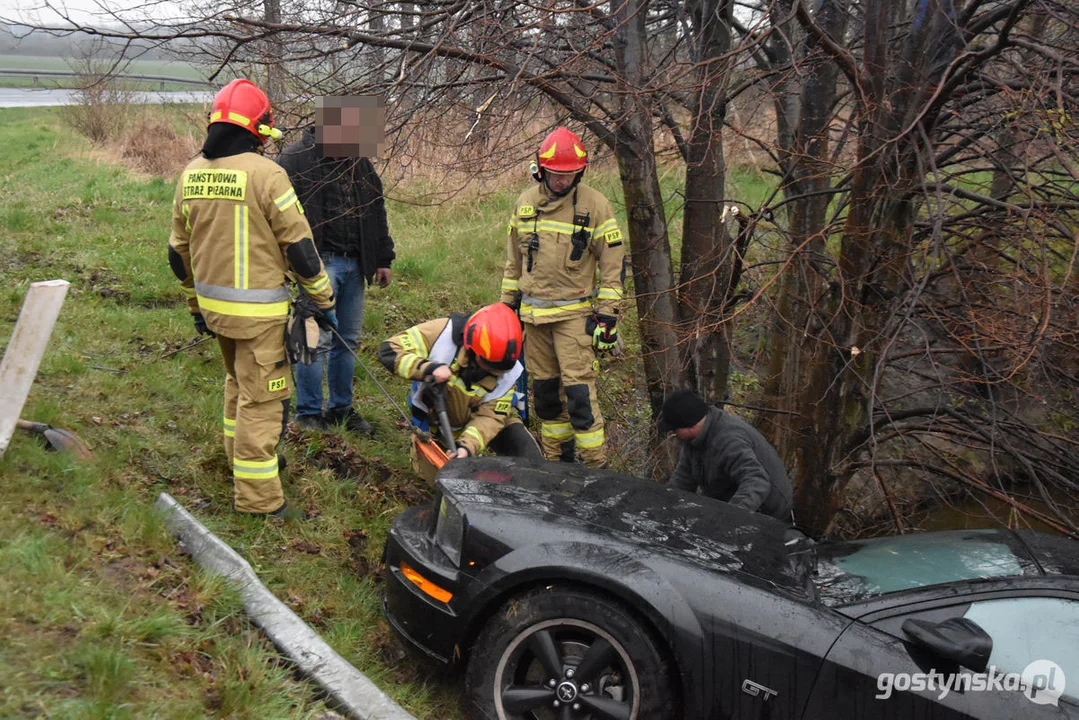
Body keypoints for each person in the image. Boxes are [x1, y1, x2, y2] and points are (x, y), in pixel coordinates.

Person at [168, 79, 336, 518]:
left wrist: (194, 307)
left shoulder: (191, 173)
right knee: (263, 402)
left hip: (214, 312)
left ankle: (239, 462)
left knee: (237, 386)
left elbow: (177, 251)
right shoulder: (267, 174)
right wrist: (323, 300)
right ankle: (260, 500)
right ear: (258, 129)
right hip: (260, 318)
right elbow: (299, 248)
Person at [498, 127, 625, 468]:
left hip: (574, 317)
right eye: (555, 174)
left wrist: (608, 313)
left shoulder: (595, 206)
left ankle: (596, 469)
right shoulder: (525, 204)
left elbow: (613, 264)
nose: (560, 181)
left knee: (580, 396)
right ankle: (557, 466)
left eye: (568, 176)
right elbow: (514, 261)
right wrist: (507, 306)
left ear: (579, 173)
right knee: (546, 397)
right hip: (533, 320)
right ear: (541, 169)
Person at [277, 96, 395, 435]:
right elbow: (277, 217)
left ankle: (341, 409)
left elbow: (377, 211)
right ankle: (309, 414)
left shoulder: (360, 163)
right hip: (317, 265)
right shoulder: (295, 161)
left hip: (356, 265)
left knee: (348, 341)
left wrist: (383, 258)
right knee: (315, 340)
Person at [378, 303, 544, 481]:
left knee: (529, 455)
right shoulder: (441, 334)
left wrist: (466, 447)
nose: (494, 374)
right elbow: (389, 350)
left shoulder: (509, 373)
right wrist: (428, 369)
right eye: (489, 366)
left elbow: (490, 417)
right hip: (435, 426)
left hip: (479, 420)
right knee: (443, 484)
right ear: (473, 349)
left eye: (499, 370)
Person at [660, 388, 794, 522]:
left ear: (690, 426)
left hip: (767, 508)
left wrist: (728, 518)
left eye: (674, 429)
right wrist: (663, 506)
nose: (673, 434)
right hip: (728, 496)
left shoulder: (729, 441)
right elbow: (682, 481)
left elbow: (757, 482)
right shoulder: (692, 441)